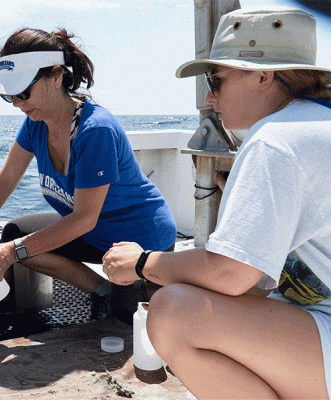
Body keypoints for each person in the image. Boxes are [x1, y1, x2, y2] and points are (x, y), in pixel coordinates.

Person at [102, 7, 331, 399]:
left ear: (263, 76)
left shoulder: (274, 141)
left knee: (173, 311)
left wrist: (142, 263)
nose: (209, 96)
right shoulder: (314, 122)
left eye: (216, 79)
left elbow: (232, 274)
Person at [0, 27, 177, 321]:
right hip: (92, 233)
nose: (19, 104)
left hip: (137, 238)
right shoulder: (36, 121)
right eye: (11, 96)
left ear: (57, 75)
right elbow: (7, 178)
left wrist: (11, 252)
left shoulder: (95, 130)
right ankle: (102, 290)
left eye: (23, 92)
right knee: (15, 236)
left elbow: (84, 217)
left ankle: (135, 292)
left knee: (124, 324)